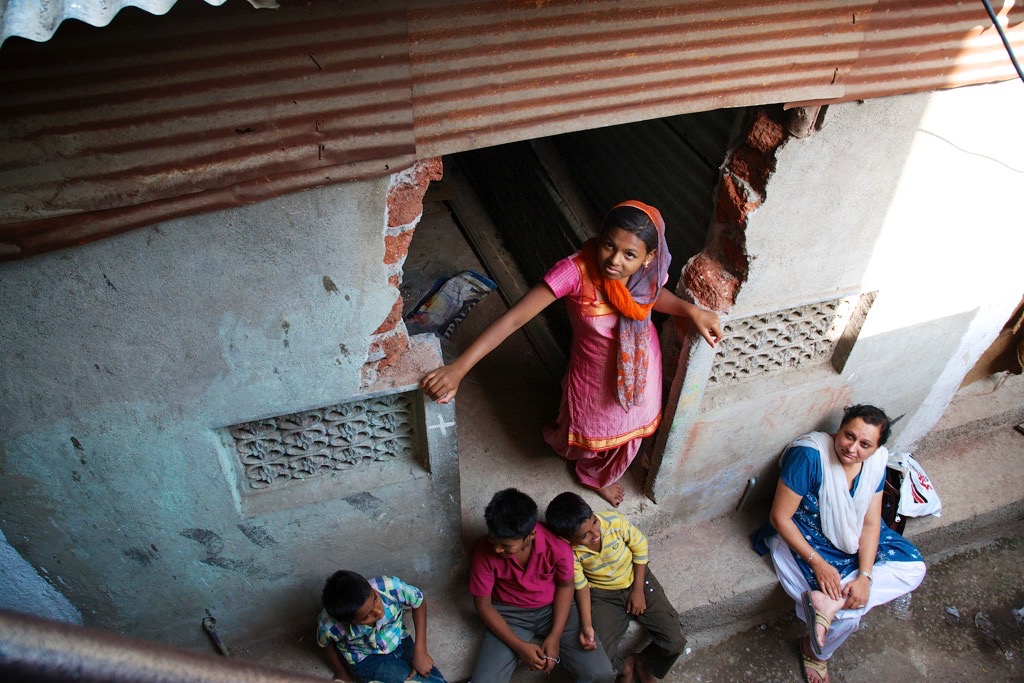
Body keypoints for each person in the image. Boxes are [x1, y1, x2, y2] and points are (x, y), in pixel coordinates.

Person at [422, 201, 721, 507]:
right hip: (594, 376)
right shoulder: (575, 271)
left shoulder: (647, 275)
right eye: (608, 245)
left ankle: (600, 475)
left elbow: (653, 300)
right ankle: (588, 468)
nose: (614, 261)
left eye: (629, 255)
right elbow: (513, 320)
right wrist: (458, 368)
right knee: (590, 430)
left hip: (641, 365)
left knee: (632, 431)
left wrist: (691, 311)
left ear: (649, 258)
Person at [751, 405, 926, 683]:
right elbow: (780, 518)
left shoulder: (875, 464)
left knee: (914, 568)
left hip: (855, 536)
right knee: (849, 616)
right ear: (839, 428)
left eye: (865, 444)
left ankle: (829, 604)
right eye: (849, 436)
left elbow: (870, 524)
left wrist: (866, 576)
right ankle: (815, 653)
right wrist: (818, 564)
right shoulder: (809, 456)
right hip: (805, 536)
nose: (852, 448)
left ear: (876, 448)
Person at [469, 488, 617, 683]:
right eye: (493, 540)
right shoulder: (484, 552)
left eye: (506, 546)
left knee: (601, 674)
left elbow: (565, 586)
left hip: (554, 608)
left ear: (530, 535)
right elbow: (484, 606)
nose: (497, 548)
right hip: (509, 615)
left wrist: (555, 636)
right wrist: (519, 647)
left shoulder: (556, 546)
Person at [545, 492, 686, 683]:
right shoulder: (569, 553)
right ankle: (625, 667)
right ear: (566, 539)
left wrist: (637, 591)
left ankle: (644, 663)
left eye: (594, 522)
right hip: (603, 596)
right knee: (600, 653)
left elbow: (640, 548)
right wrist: (586, 625)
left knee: (675, 641)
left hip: (637, 578)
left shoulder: (613, 522)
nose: (596, 534)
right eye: (585, 535)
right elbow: (582, 587)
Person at [315, 570, 447, 683]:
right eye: (366, 617)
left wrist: (420, 651)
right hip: (368, 659)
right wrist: (342, 674)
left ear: (371, 589)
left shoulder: (388, 587)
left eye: (375, 599)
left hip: (400, 640)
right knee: (411, 679)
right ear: (347, 622)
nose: (378, 612)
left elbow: (419, 601)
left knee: (427, 672)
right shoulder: (330, 624)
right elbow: (325, 644)